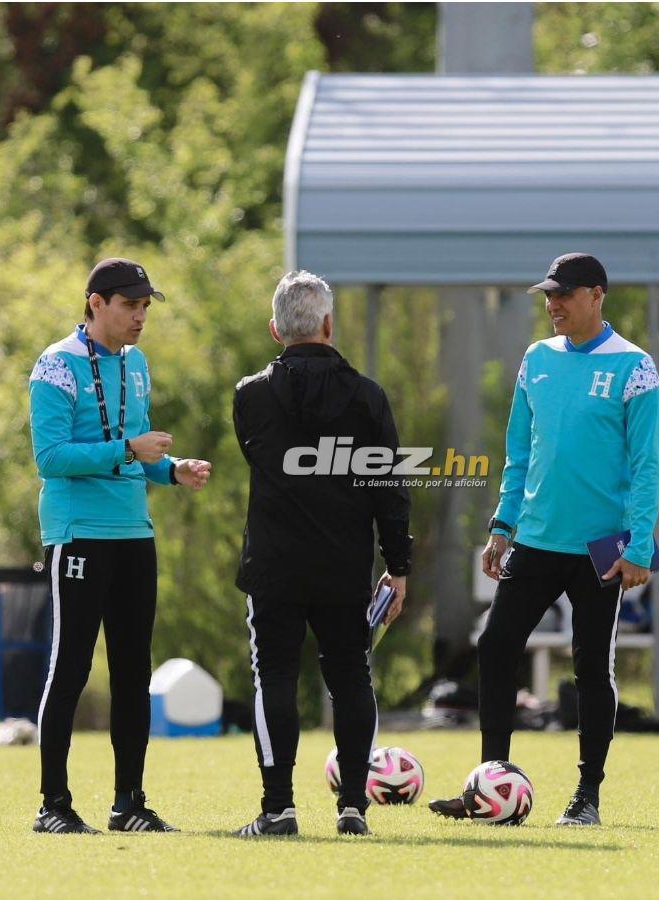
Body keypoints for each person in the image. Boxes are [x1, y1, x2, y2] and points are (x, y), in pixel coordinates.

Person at [429, 252, 659, 827]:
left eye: (564, 295)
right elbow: (519, 454)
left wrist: (638, 546)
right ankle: (490, 783)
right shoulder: (536, 360)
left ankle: (587, 797)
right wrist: (501, 527)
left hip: (601, 549)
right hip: (533, 539)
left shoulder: (635, 367)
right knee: (495, 647)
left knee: (591, 669)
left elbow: (647, 466)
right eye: (548, 296)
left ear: (597, 295)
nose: (553, 305)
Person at [27, 257, 212, 833]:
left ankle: (128, 803)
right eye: (130, 306)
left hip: (135, 535)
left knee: (133, 672)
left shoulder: (137, 364)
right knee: (71, 668)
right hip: (80, 534)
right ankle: (52, 806)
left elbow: (140, 455)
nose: (139, 318)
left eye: (145, 307)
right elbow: (51, 458)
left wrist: (173, 469)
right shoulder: (55, 366)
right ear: (96, 303)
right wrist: (131, 451)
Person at [230, 270, 412, 837]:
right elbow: (391, 487)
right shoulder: (367, 396)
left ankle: (277, 808)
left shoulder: (250, 396)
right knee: (352, 678)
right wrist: (399, 567)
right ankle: (353, 806)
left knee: (275, 680)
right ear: (329, 325)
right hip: (345, 566)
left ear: (275, 329)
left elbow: (257, 456)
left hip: (275, 566)